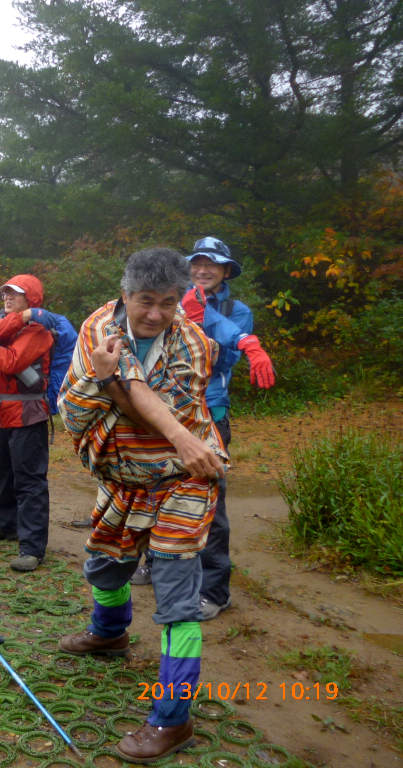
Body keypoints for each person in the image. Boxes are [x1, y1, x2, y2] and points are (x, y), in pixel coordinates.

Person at [57, 248, 228, 764]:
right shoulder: (97, 326)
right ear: (125, 294)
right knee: (106, 566)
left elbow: (156, 415)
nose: (155, 313)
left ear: (181, 302)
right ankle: (109, 634)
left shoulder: (194, 343)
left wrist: (115, 386)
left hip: (186, 474)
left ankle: (173, 717)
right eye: (145, 301)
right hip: (122, 476)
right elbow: (72, 412)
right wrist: (110, 382)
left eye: (168, 303)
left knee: (177, 594)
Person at [131, 237, 275, 622]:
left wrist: (203, 319)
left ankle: (214, 589)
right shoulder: (168, 300)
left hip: (209, 413)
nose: (204, 270)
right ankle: (151, 561)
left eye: (213, 265)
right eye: (197, 263)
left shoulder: (236, 310)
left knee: (208, 501)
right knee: (152, 488)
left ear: (226, 271)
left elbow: (223, 357)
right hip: (160, 412)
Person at [0, 276, 56, 572]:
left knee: (30, 481)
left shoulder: (37, 331)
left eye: (15, 294)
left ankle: (32, 547)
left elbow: (10, 362)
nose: (7, 297)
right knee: (3, 472)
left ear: (30, 301)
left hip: (27, 414)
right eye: (5, 292)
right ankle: (5, 523)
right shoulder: (0, 323)